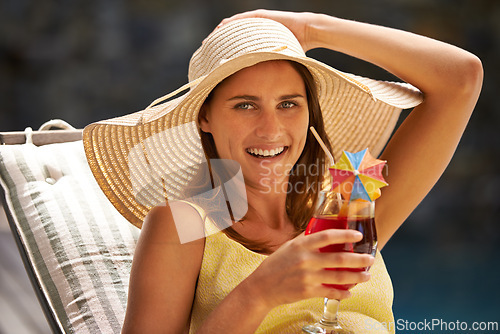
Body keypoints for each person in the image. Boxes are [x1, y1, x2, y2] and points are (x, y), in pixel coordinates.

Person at [82, 9, 482, 334]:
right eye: (244, 105)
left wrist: (312, 28)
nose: (271, 129)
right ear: (204, 117)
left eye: (289, 104)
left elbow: (462, 79)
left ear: (310, 113)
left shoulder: (349, 207)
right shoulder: (186, 224)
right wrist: (258, 293)